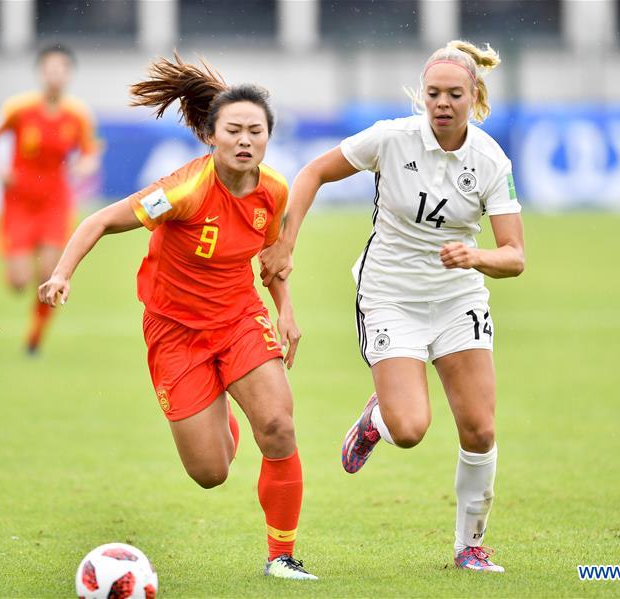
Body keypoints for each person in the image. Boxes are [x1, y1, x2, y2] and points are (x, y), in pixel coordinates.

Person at [38, 53, 316, 580]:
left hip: (239, 318)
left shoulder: (274, 191)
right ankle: (218, 407)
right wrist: (62, 273)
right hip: (175, 332)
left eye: (255, 131)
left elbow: (272, 258)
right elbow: (100, 220)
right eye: (233, 130)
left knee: (278, 425)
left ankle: (282, 557)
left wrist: (286, 311)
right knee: (211, 472)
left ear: (267, 137)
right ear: (211, 136)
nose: (244, 140)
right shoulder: (184, 191)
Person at [260, 40, 524, 572]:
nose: (442, 103)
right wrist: (286, 242)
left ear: (475, 97)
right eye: (433, 94)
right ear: (421, 96)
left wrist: (475, 256)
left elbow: (515, 256)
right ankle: (378, 416)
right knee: (409, 430)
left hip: (458, 298)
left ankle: (469, 546)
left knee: (480, 428)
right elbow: (312, 173)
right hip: (389, 297)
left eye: (454, 94)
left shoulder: (492, 160)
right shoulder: (390, 138)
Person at [0, 44, 100, 354]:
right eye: (49, 69)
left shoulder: (77, 114)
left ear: (69, 74)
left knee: (51, 275)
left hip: (54, 202)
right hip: (20, 200)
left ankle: (34, 338)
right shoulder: (19, 108)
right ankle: (13, 266)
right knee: (19, 281)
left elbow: (90, 152)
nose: (55, 76)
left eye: (61, 70)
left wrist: (84, 166)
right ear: (40, 73)